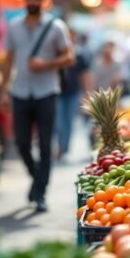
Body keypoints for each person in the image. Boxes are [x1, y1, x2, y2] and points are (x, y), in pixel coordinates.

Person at [0, 0, 75, 212]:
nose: (31, 3)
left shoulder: (56, 27)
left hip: (46, 92)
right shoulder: (15, 27)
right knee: (21, 142)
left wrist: (46, 63)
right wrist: (3, 90)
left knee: (44, 145)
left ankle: (40, 193)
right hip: (20, 91)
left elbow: (69, 58)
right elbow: (8, 60)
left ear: (44, 0)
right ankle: (37, 179)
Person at [54, 30, 92, 161]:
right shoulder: (56, 53)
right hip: (57, 93)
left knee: (68, 121)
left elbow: (84, 75)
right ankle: (59, 146)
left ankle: (64, 148)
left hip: (73, 93)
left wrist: (87, 94)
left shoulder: (79, 55)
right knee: (58, 122)